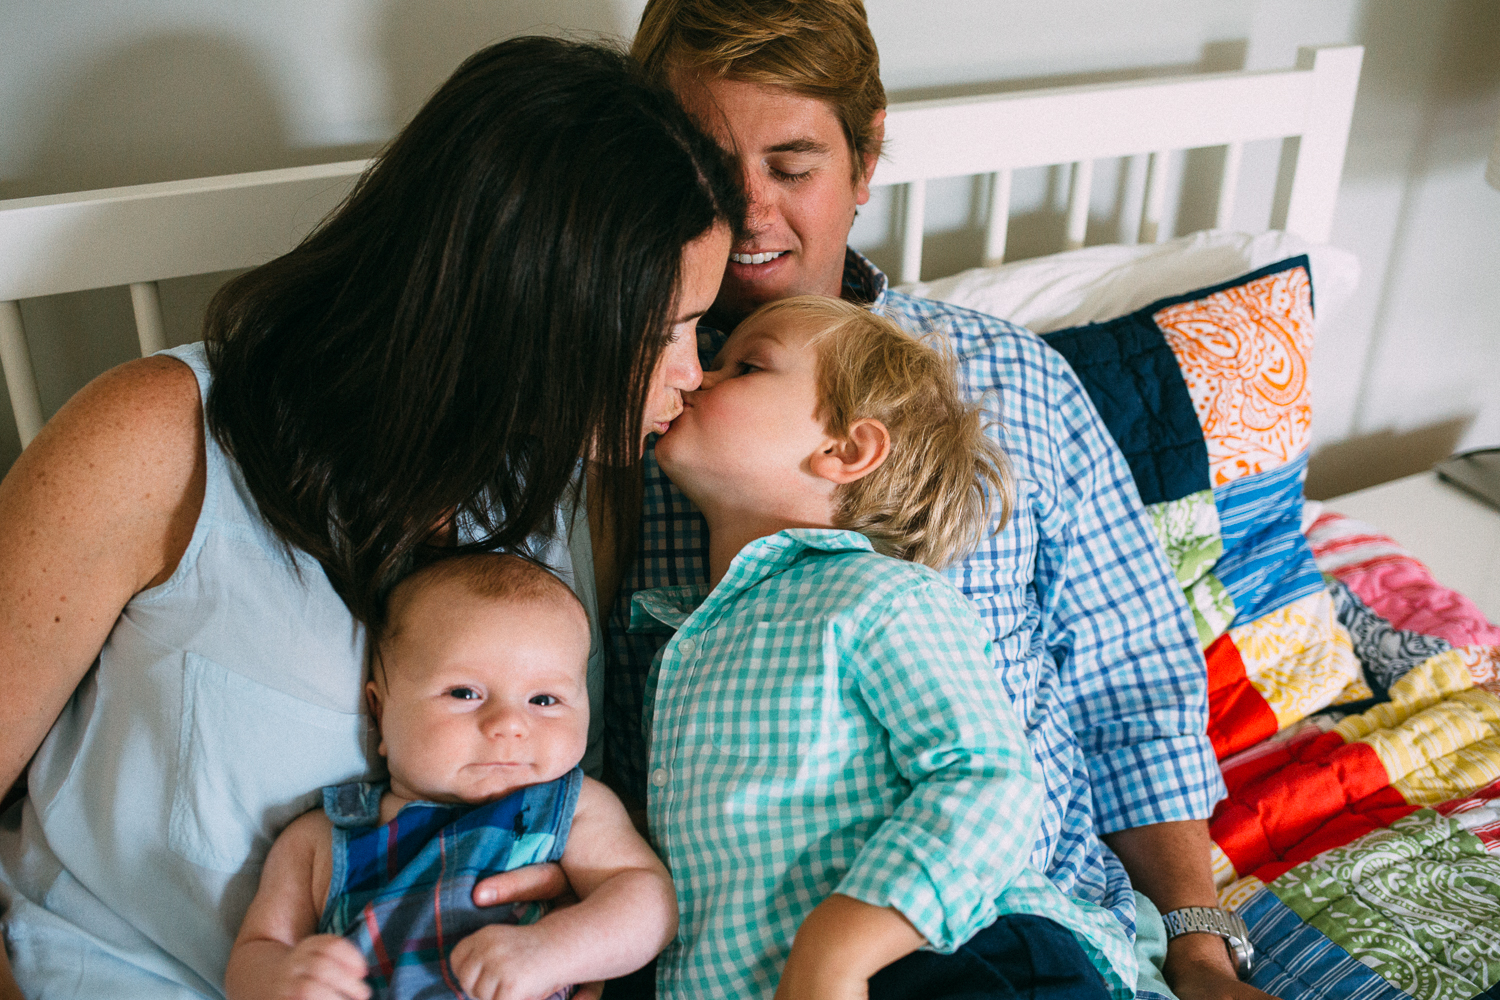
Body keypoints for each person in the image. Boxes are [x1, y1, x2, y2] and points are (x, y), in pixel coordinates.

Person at [0, 36, 742, 999]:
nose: (690, 372)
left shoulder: (569, 487)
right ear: (531, 309)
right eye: (663, 332)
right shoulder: (159, 439)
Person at [610, 4, 1267, 999]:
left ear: (866, 158)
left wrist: (1200, 950)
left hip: (1003, 938)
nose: (748, 213)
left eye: (793, 165)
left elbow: (1132, 691)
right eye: (705, 167)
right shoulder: (630, 417)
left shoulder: (1013, 384)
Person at [638, 294, 1134, 1000]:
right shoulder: (684, 647)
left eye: (743, 367)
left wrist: (838, 948)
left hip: (954, 957)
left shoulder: (880, 596)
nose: (694, 378)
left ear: (845, 449)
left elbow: (990, 780)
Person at [227, 554, 676, 1000]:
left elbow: (649, 902)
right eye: (464, 693)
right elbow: (258, 948)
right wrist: (282, 980)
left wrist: (552, 949)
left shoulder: (570, 808)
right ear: (380, 711)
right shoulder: (323, 837)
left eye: (544, 699)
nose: (509, 724)